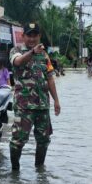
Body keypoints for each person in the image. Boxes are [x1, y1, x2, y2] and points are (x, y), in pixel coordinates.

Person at [9, 23, 61, 171]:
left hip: (43, 105)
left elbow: (50, 78)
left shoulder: (44, 55)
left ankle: (40, 169)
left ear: (39, 36)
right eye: (29, 35)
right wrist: (32, 52)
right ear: (23, 36)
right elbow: (18, 61)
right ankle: (15, 171)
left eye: (35, 35)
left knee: (44, 140)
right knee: (18, 140)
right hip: (24, 106)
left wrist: (56, 100)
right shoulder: (16, 50)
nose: (32, 38)